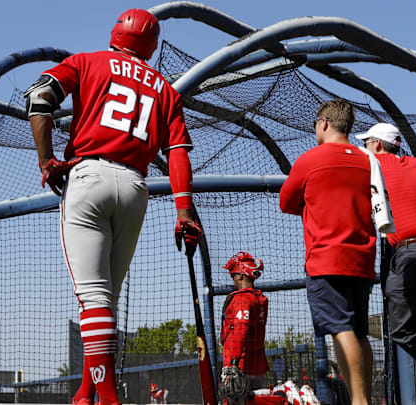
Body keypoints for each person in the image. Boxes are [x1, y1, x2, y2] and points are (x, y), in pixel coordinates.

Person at [24, 9, 202, 405]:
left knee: (94, 298)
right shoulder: (166, 89)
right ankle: (86, 393)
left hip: (89, 177)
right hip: (136, 187)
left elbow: (38, 96)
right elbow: (177, 154)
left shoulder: (88, 61)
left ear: (115, 34)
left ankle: (107, 397)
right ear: (152, 48)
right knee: (107, 298)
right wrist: (184, 212)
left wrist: (46, 160)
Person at [280, 99, 375, 405]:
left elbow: (286, 202)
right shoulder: (366, 159)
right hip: (363, 258)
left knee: (340, 328)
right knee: (359, 332)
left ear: (323, 123)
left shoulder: (310, 159)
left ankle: (359, 402)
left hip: (327, 258)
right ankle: (365, 398)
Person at [359, 123, 416, 366]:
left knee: (401, 330)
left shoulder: (371, 166)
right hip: (415, 250)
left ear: (377, 144)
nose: (365, 146)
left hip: (409, 252)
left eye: (367, 142)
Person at [219, 252, 269, 404]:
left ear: (240, 275)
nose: (232, 278)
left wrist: (232, 366)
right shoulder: (259, 298)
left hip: (240, 367)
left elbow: (240, 332)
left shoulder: (242, 298)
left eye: (233, 274)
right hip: (258, 365)